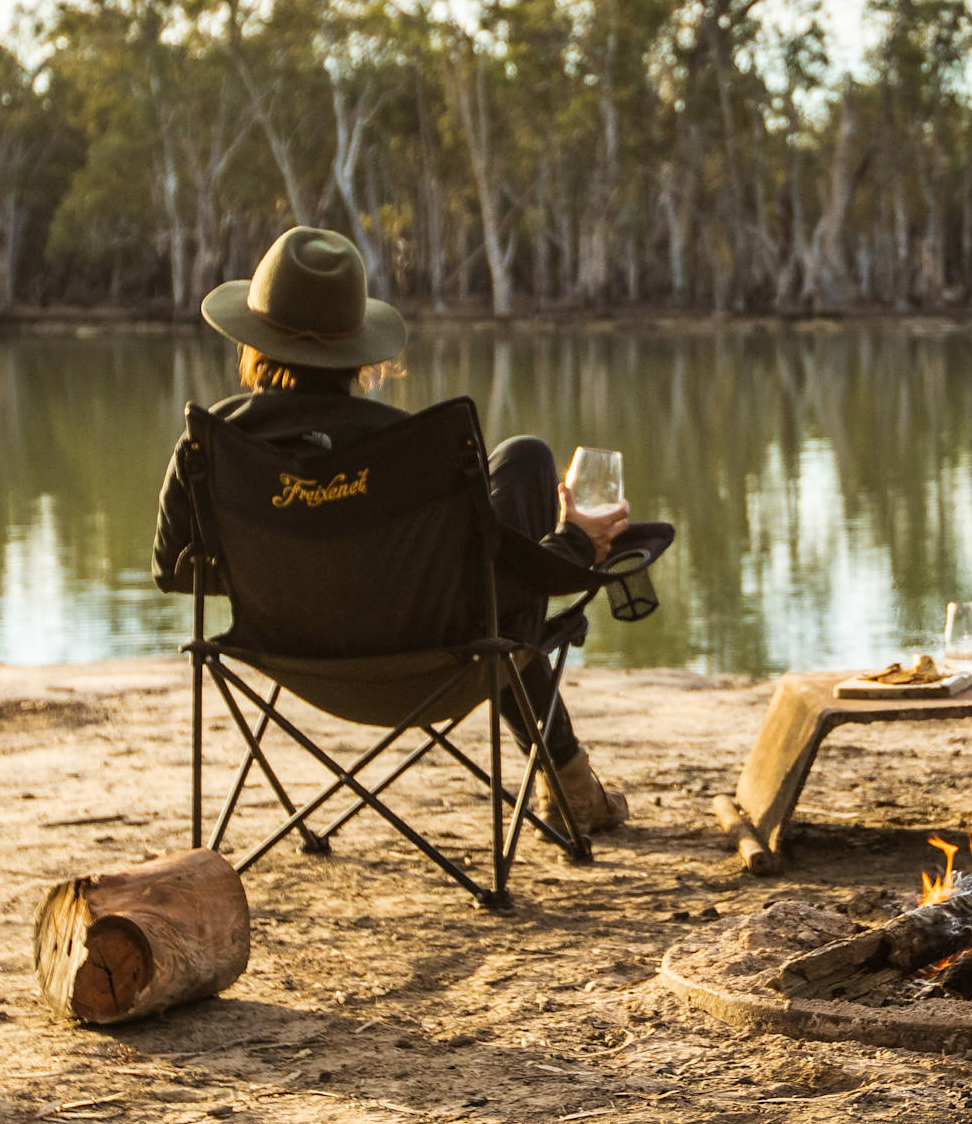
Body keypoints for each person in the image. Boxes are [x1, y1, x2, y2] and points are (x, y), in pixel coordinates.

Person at [156, 226, 634, 836]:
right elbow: (495, 579)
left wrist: (285, 570)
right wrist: (573, 544)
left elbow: (173, 571)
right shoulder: (407, 449)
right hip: (441, 664)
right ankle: (569, 781)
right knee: (526, 462)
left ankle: (569, 780)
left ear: (254, 342)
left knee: (518, 470)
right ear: (359, 348)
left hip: (288, 656)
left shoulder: (211, 444)